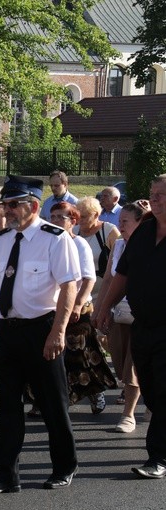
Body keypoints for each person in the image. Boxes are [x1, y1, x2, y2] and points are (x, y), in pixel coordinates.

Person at [0, 175, 80, 495]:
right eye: (5, 205)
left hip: (42, 329)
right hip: (6, 332)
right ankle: (4, 474)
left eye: (13, 205)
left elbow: (69, 286)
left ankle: (63, 467)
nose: (7, 210)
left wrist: (58, 332)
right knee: (6, 407)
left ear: (34, 206)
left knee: (53, 404)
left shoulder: (54, 238)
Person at [97, 174, 166, 480]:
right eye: (153, 194)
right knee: (150, 389)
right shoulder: (143, 232)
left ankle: (158, 457)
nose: (155, 200)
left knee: (163, 392)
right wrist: (105, 308)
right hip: (143, 325)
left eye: (162, 195)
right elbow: (122, 275)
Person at [48, 202, 115, 409]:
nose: (56, 221)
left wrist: (77, 304)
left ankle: (95, 393)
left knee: (81, 355)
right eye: (53, 216)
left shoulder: (79, 244)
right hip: (53, 307)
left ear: (72, 221)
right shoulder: (48, 241)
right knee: (54, 356)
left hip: (78, 307)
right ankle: (48, 399)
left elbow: (89, 278)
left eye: (61, 217)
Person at [93, 200, 150, 434]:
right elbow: (109, 279)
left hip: (144, 316)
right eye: (119, 221)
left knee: (131, 367)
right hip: (119, 314)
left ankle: (128, 415)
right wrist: (100, 310)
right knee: (119, 361)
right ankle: (150, 396)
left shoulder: (151, 246)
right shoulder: (118, 246)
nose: (120, 226)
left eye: (125, 222)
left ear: (140, 223)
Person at [73, 196, 120, 414]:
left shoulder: (108, 231)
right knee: (82, 349)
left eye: (85, 216)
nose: (80, 220)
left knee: (95, 345)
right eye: (77, 216)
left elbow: (119, 262)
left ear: (96, 215)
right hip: (77, 296)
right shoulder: (74, 233)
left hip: (104, 293)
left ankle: (115, 379)